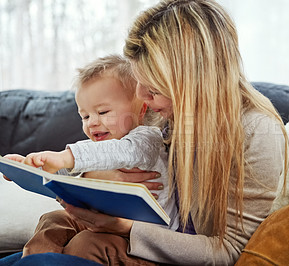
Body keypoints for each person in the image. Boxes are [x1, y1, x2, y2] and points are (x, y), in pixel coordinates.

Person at [2, 0, 289, 265]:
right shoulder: (165, 113)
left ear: (193, 82)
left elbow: (228, 250)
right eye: (140, 82)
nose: (140, 97)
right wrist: (91, 177)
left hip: (171, 244)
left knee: (85, 246)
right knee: (54, 227)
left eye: (152, 88)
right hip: (130, 225)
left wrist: (123, 226)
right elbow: (114, 155)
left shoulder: (255, 133)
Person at [7, 54, 180, 257]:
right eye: (85, 116)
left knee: (87, 244)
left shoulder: (147, 139)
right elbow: (68, 172)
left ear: (140, 110)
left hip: (142, 239)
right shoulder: (96, 150)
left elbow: (116, 152)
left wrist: (64, 157)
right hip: (102, 224)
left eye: (103, 112)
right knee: (53, 220)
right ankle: (33, 261)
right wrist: (31, 167)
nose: (92, 123)